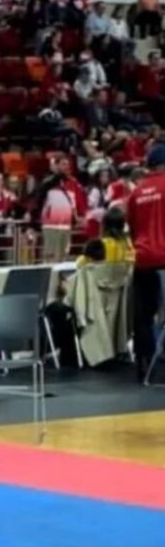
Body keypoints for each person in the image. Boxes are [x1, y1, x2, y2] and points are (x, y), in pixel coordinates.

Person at [127, 144, 165, 380]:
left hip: (143, 260)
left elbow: (132, 229)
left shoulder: (137, 192)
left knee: (143, 315)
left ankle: (144, 365)